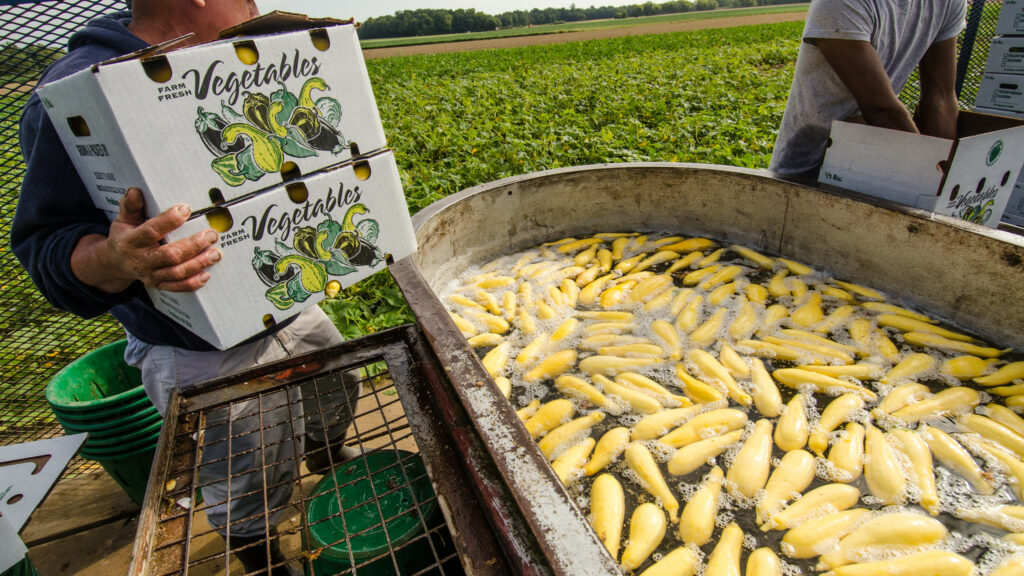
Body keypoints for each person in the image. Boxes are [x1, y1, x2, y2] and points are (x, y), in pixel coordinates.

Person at [12, 1, 359, 574]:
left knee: (334, 395)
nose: (251, 3)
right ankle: (262, 556)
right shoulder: (78, 90)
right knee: (244, 476)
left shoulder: (236, 62)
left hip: (293, 306)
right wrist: (119, 257)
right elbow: (46, 248)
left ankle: (327, 456)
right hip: (203, 354)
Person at [769, 0, 968, 181]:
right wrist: (929, 177)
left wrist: (944, 176)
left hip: (878, 161)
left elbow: (940, 99)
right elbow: (881, 109)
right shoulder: (840, 4)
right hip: (806, 172)